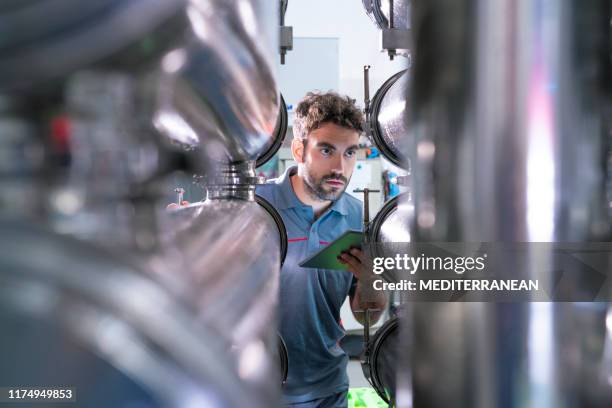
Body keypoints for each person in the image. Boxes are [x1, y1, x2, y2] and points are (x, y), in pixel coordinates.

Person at [256, 91, 387, 407]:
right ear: (300, 150)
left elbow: (366, 316)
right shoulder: (258, 206)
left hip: (328, 390)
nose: (340, 167)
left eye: (350, 153)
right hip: (259, 389)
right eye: (327, 150)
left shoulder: (359, 218)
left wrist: (371, 279)